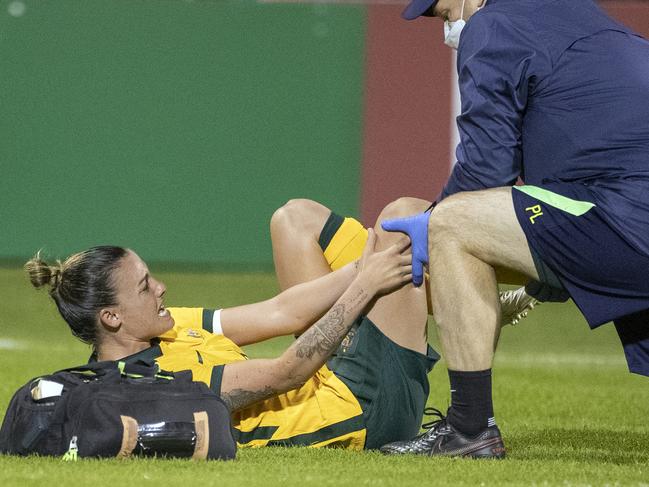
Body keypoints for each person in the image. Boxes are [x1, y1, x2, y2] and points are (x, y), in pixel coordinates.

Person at [25, 198, 533, 450]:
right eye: (145, 286)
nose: (162, 288)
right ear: (111, 317)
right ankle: (473, 307)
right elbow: (288, 371)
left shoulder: (166, 325)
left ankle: (460, 304)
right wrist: (366, 284)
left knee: (294, 218)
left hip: (332, 373)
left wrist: (364, 271)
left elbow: (281, 314)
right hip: (364, 412)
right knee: (406, 217)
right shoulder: (153, 386)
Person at [378, 0, 649, 458]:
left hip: (626, 215)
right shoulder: (573, 13)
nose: (445, 27)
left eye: (443, 14)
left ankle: (469, 429)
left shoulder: (491, 26)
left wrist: (427, 231)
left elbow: (484, 174)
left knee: (450, 224)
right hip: (622, 206)